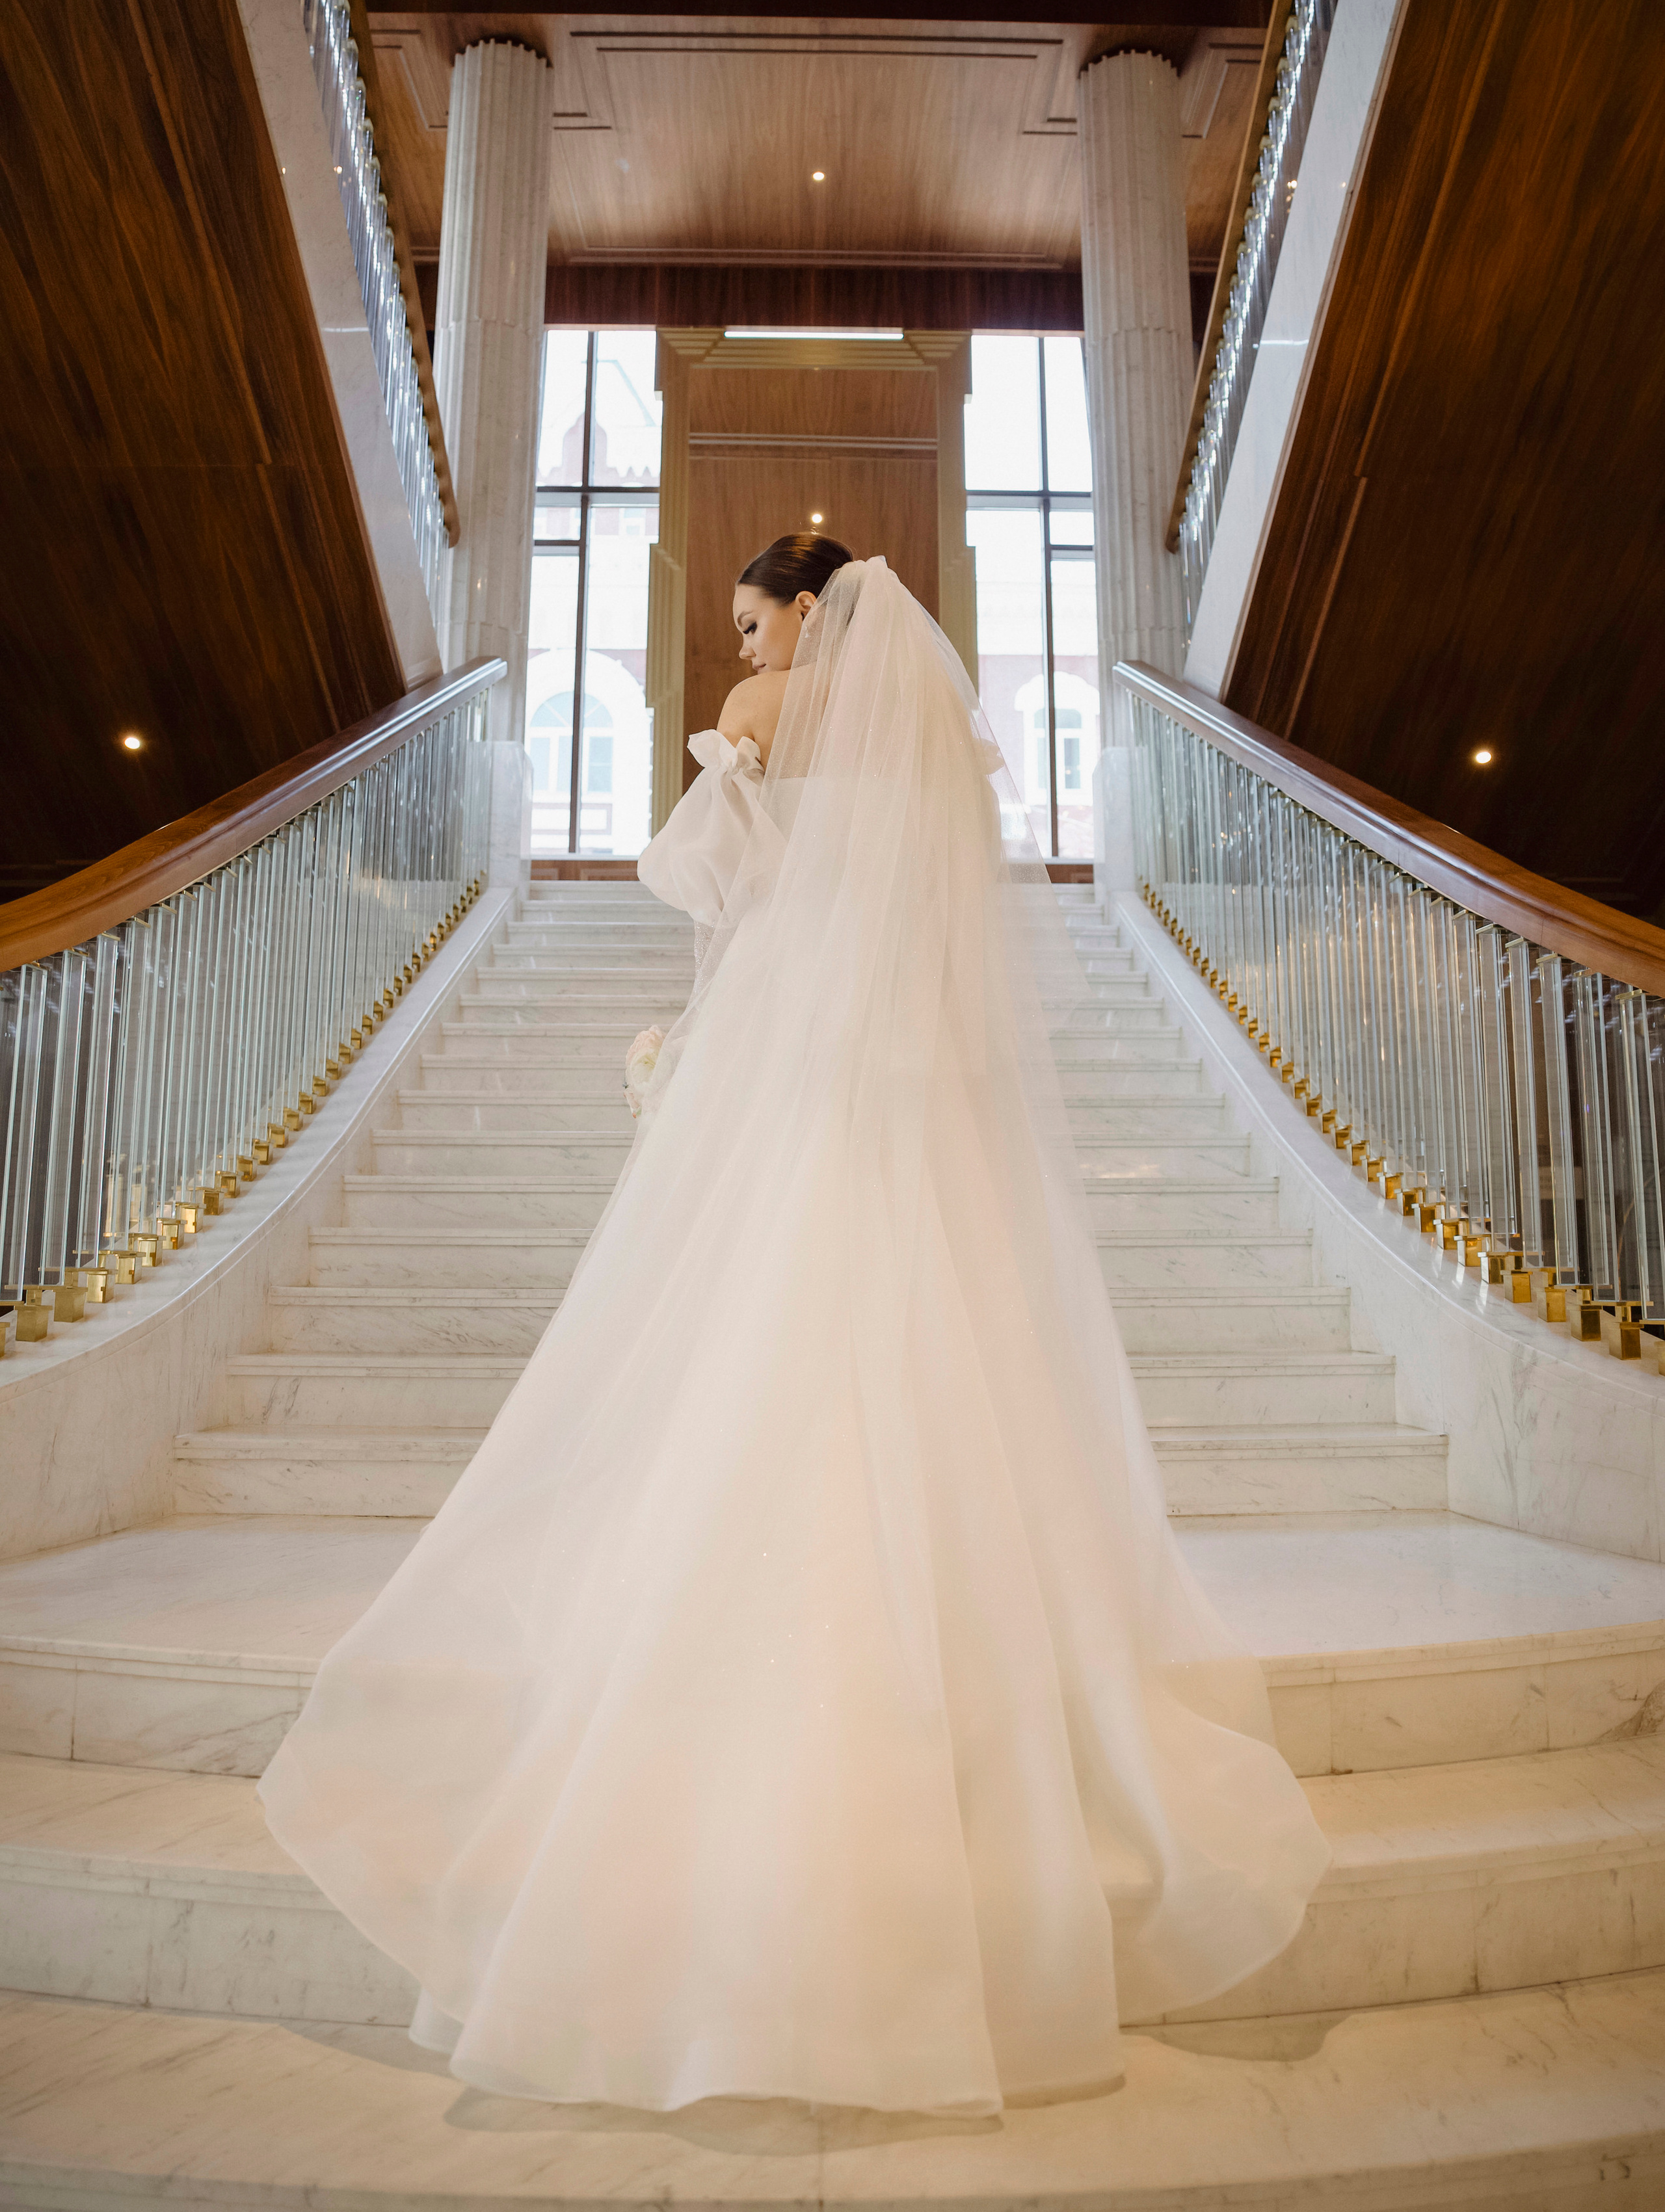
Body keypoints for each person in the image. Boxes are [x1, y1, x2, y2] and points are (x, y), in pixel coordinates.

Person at [259, 536, 1329, 2116]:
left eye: (749, 618)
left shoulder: (766, 711)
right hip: (917, 1103)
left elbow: (693, 881)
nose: (739, 646)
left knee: (747, 1362)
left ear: (805, 616)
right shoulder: (952, 755)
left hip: (790, 1083)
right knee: (936, 1365)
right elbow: (949, 936)